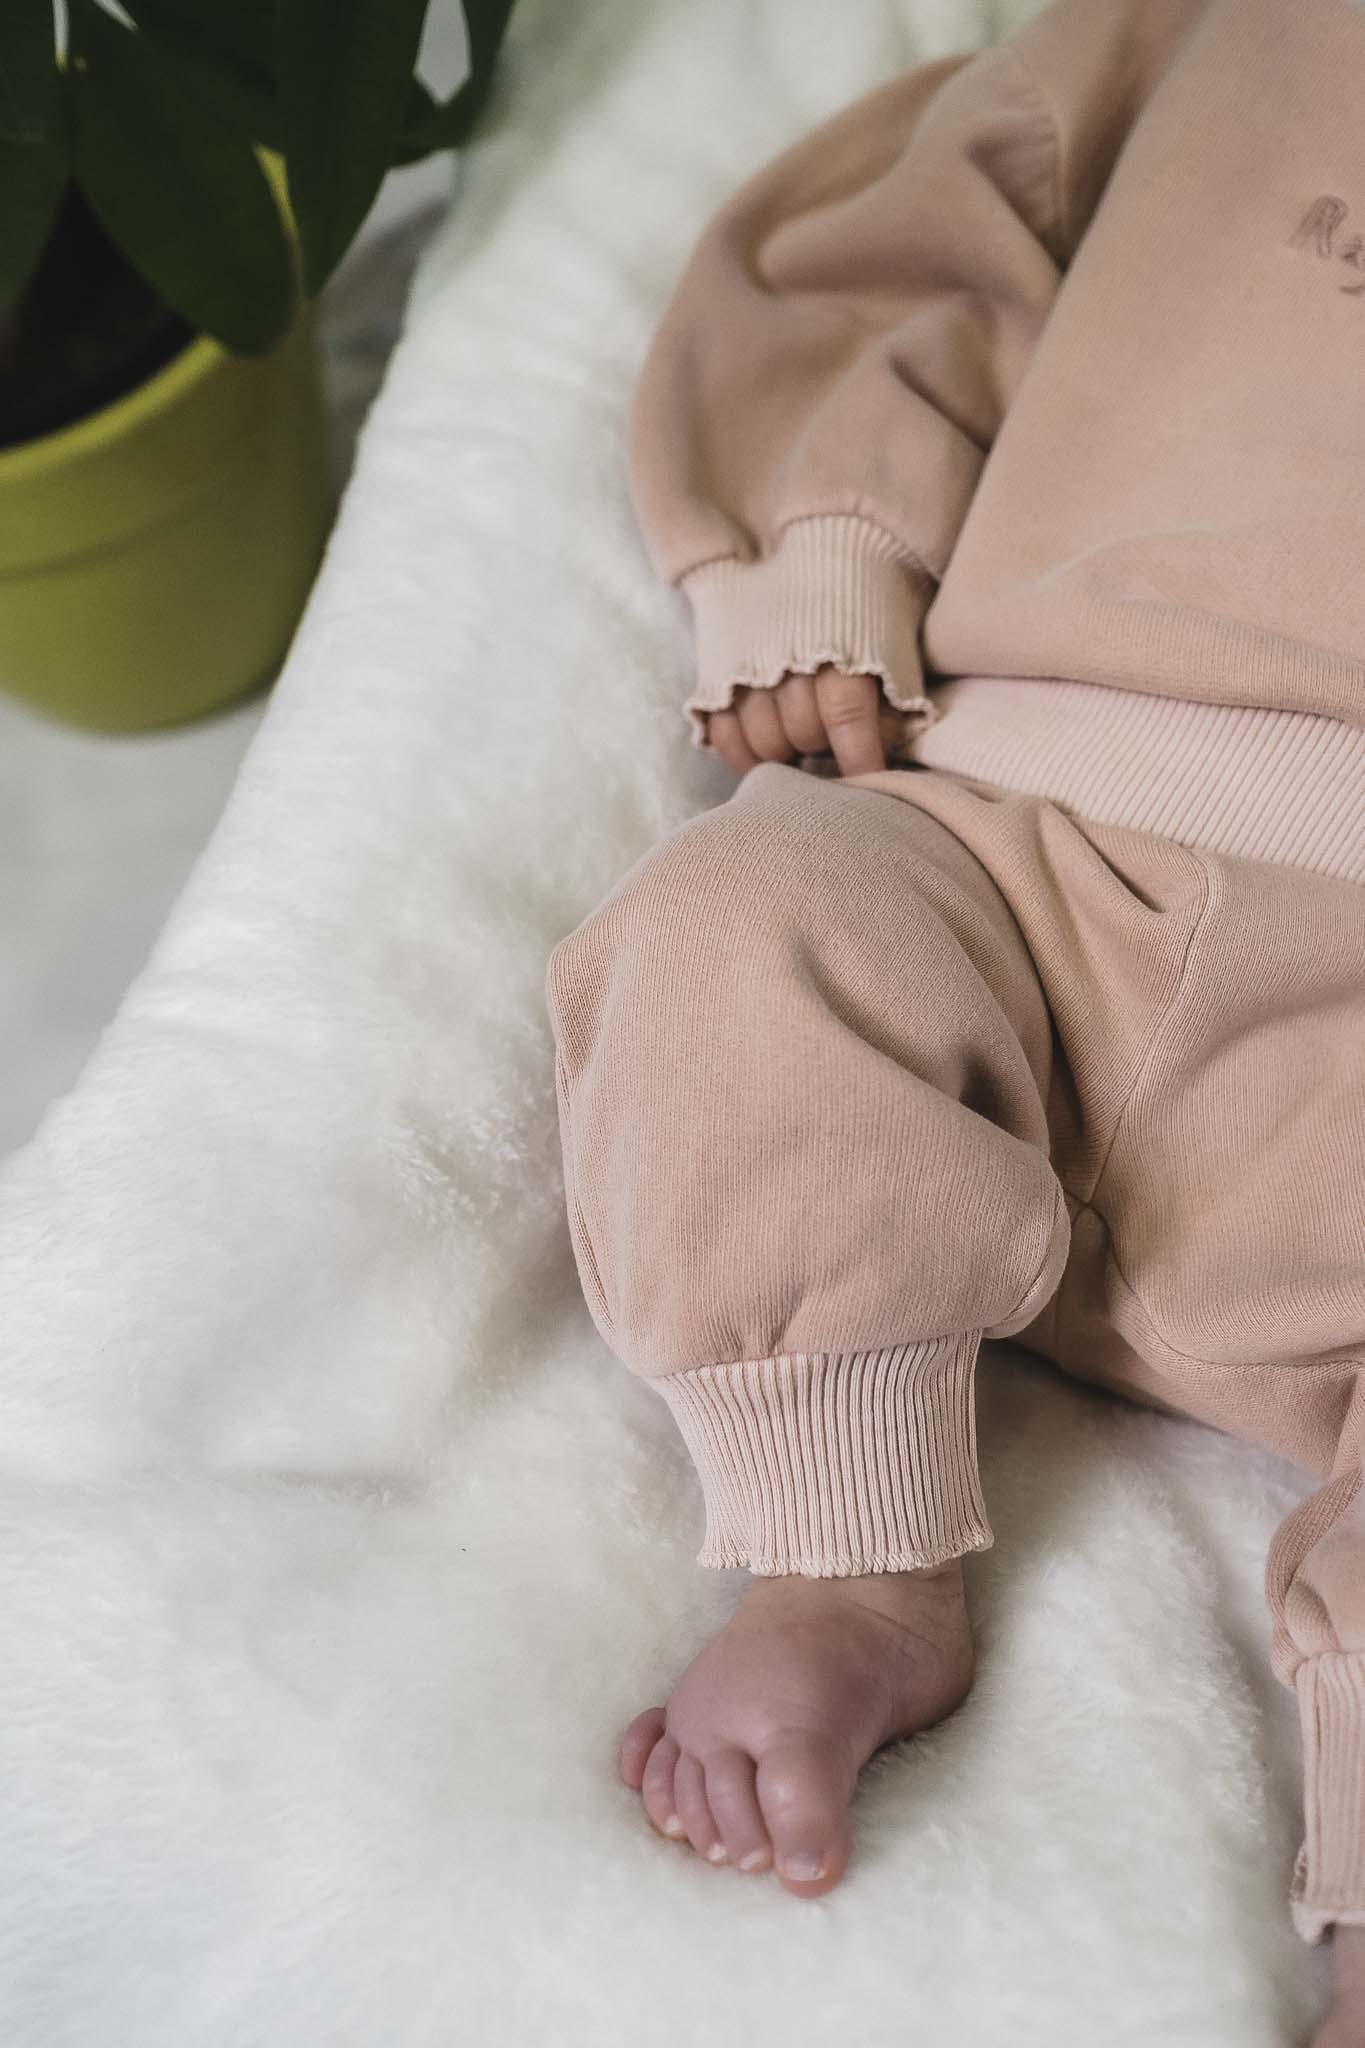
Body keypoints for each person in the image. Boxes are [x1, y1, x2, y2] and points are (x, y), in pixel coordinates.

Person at [543, 1, 1365, 2034]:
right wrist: (831, 559)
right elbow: (931, 219)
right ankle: (847, 1557)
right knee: (743, 920)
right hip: (1029, 841)